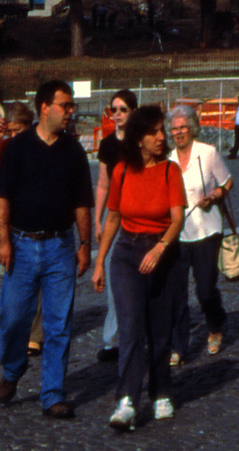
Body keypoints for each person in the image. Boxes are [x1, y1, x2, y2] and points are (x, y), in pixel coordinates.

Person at [0, 80, 93, 418]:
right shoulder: (18, 147)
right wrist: (4, 240)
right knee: (12, 318)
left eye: (72, 105)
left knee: (58, 324)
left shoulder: (73, 151)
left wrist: (85, 244)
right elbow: (1, 195)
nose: (70, 111)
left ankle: (52, 394)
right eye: (65, 105)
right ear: (45, 107)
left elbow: (82, 202)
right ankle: (12, 369)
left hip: (61, 248)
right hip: (21, 246)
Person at [93, 105, 186, 431]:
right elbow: (113, 218)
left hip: (164, 255)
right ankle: (127, 402)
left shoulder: (169, 172)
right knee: (131, 329)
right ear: (138, 139)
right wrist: (100, 260)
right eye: (154, 132)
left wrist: (160, 248)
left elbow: (177, 219)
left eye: (163, 131)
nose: (162, 137)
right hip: (127, 255)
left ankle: (161, 390)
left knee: (160, 334)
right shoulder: (120, 171)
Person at [168, 105, 232, 364]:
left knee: (205, 290)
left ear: (192, 127)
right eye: (174, 128)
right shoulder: (167, 159)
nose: (179, 132)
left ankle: (215, 325)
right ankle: (178, 346)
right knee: (176, 293)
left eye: (183, 127)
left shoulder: (208, 153)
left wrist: (215, 195)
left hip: (207, 231)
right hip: (178, 234)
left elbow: (227, 181)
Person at [93, 90, 138, 364]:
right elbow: (102, 184)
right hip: (114, 217)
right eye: (114, 110)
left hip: (138, 216)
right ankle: (113, 340)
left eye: (122, 109)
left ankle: (139, 335)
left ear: (133, 111)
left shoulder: (141, 142)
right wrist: (97, 218)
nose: (117, 115)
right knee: (113, 278)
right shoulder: (108, 144)